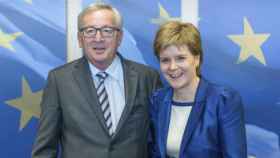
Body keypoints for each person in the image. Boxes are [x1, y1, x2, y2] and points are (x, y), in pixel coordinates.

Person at [32, 3, 161, 158]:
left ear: (119, 37)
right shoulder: (59, 80)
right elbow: (45, 149)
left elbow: (159, 141)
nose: (98, 38)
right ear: (80, 39)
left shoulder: (147, 77)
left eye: (107, 31)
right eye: (90, 31)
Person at [148, 21, 247, 158]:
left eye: (180, 58)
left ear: (196, 59)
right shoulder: (157, 100)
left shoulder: (223, 101)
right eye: (165, 60)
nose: (172, 67)